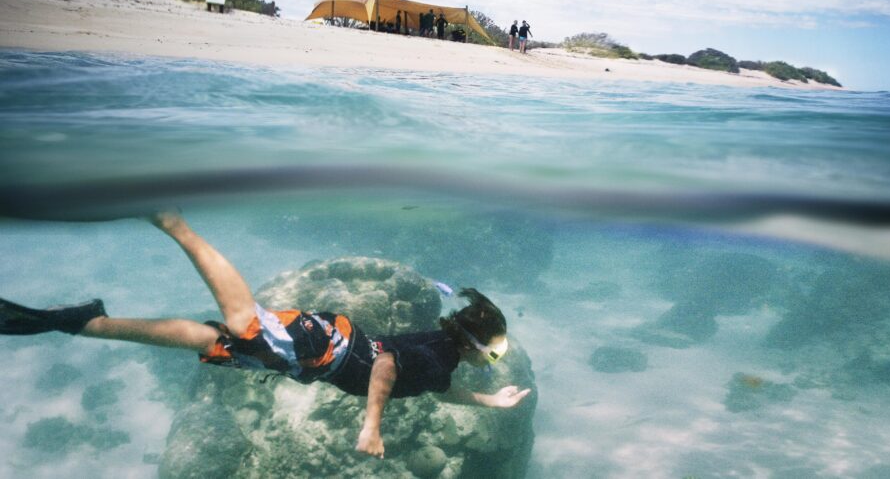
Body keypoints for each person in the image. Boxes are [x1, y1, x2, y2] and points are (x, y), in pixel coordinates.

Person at [0, 212, 531, 459]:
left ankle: (81, 321)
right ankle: (173, 223)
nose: (495, 359)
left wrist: (491, 400)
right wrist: (371, 426)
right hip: (323, 346)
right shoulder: (440, 358)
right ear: (474, 342)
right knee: (243, 321)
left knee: (214, 342)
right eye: (497, 351)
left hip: (316, 352)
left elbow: (439, 388)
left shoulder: (443, 358)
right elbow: (387, 367)